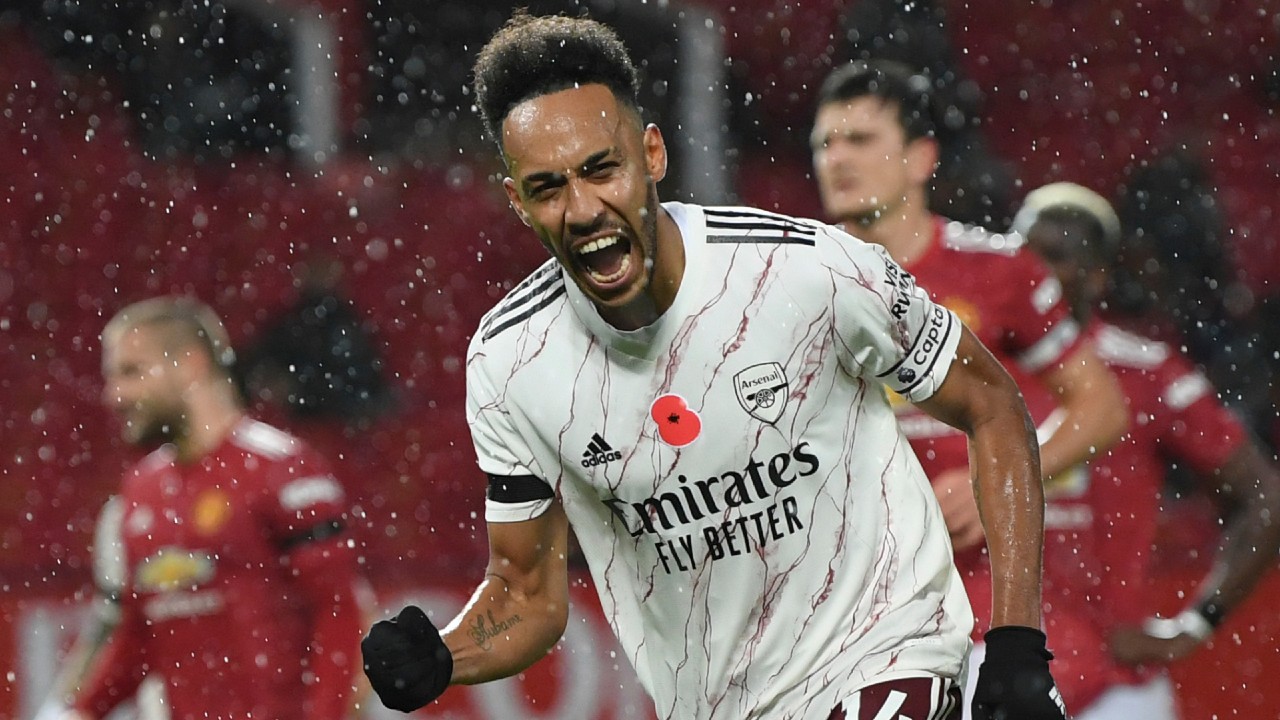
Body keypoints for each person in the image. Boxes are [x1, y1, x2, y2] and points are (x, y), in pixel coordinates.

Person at [361, 13, 1068, 720]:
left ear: (652, 155)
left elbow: (992, 405)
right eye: (548, 188)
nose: (582, 209)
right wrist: (447, 655)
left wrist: (1015, 645)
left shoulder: (805, 271)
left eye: (601, 170)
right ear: (517, 202)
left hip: (882, 661)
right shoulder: (511, 363)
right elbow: (526, 593)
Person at [809, 59, 1129, 697]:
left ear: (921, 158)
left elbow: (1101, 408)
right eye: (824, 142)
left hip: (984, 595)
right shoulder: (794, 283)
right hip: (857, 597)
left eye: (860, 139)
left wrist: (997, 478)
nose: (836, 158)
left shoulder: (1000, 272)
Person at [1010, 182, 1280, 718]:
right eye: (1022, 252)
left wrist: (1194, 624)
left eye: (1054, 255)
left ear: (1097, 275)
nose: (1031, 268)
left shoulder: (1145, 372)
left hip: (1114, 689)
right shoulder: (965, 368)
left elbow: (1264, 500)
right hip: (986, 670)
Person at [48, 296, 365, 720]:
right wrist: (81, 712)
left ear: (191, 364)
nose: (115, 395)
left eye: (131, 373)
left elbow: (339, 614)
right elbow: (139, 638)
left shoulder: (284, 469)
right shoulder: (141, 490)